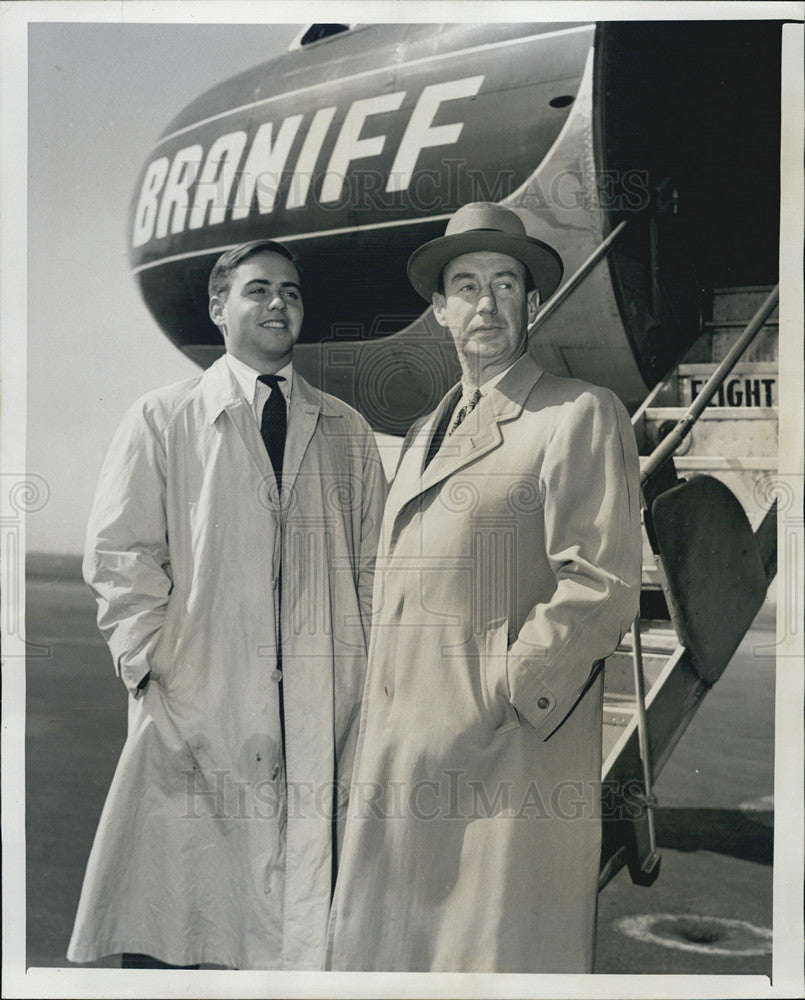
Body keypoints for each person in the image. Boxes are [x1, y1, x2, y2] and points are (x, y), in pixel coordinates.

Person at [326, 202, 643, 973]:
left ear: (532, 304)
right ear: (439, 310)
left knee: (485, 965)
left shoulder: (576, 414)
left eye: (506, 283)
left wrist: (501, 693)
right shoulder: (425, 431)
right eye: (465, 286)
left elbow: (598, 584)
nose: (486, 303)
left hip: (502, 765)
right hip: (401, 762)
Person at [67, 240, 386, 970]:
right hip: (193, 708)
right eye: (258, 290)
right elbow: (120, 555)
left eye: (292, 292)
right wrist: (153, 666)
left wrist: (361, 683)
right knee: (181, 923)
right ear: (219, 307)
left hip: (320, 714)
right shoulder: (161, 418)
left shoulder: (347, 432)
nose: (278, 304)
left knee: (294, 935)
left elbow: (375, 568)